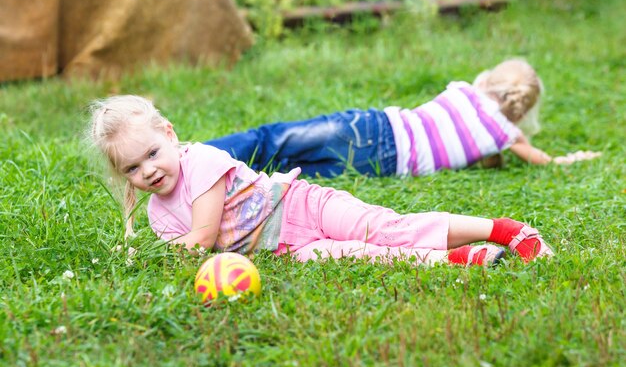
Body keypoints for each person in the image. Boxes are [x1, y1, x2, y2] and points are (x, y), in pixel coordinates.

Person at [87, 95, 554, 267]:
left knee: (386, 229)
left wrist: (142, 254)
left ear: (169, 134)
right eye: (131, 168)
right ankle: (461, 259)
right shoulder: (156, 214)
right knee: (366, 257)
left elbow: (203, 237)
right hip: (283, 248)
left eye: (151, 153)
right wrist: (149, 247)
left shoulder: (203, 160)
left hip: (301, 205)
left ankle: (502, 229)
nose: (147, 170)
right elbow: (189, 253)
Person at [206, 59, 600, 178]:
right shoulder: (505, 136)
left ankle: (200, 158)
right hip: (383, 166)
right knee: (287, 172)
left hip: (373, 126)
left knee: (273, 140)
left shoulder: (464, 88)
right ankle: (223, 182)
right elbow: (540, 161)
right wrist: (571, 159)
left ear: (491, 80)